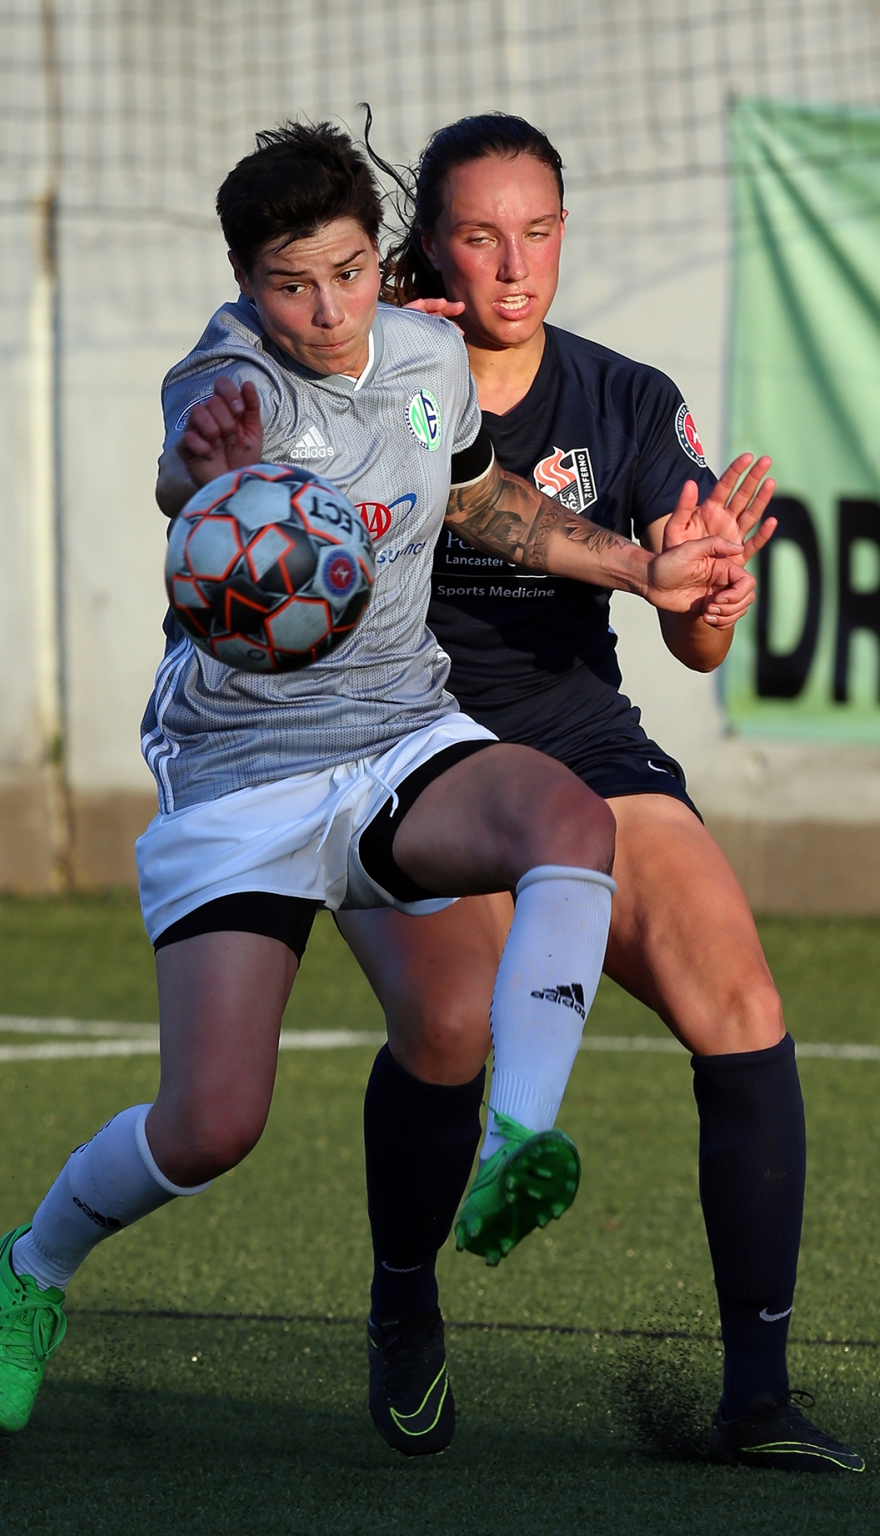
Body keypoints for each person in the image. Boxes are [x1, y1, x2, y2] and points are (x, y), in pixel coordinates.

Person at [0, 121, 749, 1446]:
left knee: (559, 827)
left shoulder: (430, 357)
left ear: (377, 257)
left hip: (395, 737)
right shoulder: (228, 378)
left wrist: (640, 569)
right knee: (211, 1127)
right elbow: (185, 470)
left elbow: (484, 500)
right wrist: (207, 473)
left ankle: (516, 1144)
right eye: (291, 285)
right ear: (245, 282)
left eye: (347, 273)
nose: (326, 313)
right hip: (242, 779)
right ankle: (33, 1267)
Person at [336, 112, 863, 1472]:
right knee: (449, 1024)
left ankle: (757, 1396)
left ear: (565, 233)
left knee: (742, 1004)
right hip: (410, 744)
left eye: (539, 232)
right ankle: (404, 1301)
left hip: (582, 744)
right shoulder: (375, 376)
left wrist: (708, 595)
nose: (515, 266)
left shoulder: (627, 397)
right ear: (431, 245)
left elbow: (694, 640)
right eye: (480, 236)